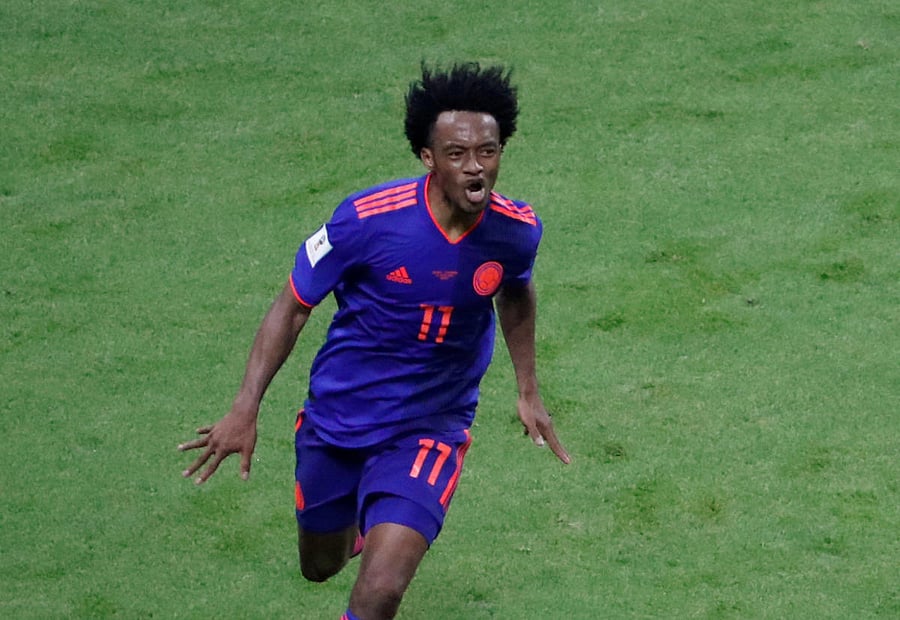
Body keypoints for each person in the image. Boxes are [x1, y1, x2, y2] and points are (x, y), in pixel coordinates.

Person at [178, 61, 570, 620]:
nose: (476, 168)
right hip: (339, 420)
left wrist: (528, 390)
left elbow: (516, 295)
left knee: (381, 589)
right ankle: (360, 515)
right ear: (428, 159)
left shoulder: (516, 231)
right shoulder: (365, 220)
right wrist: (245, 407)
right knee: (320, 566)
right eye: (456, 154)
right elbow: (292, 307)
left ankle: (390, 510)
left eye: (488, 151)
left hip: (430, 427)